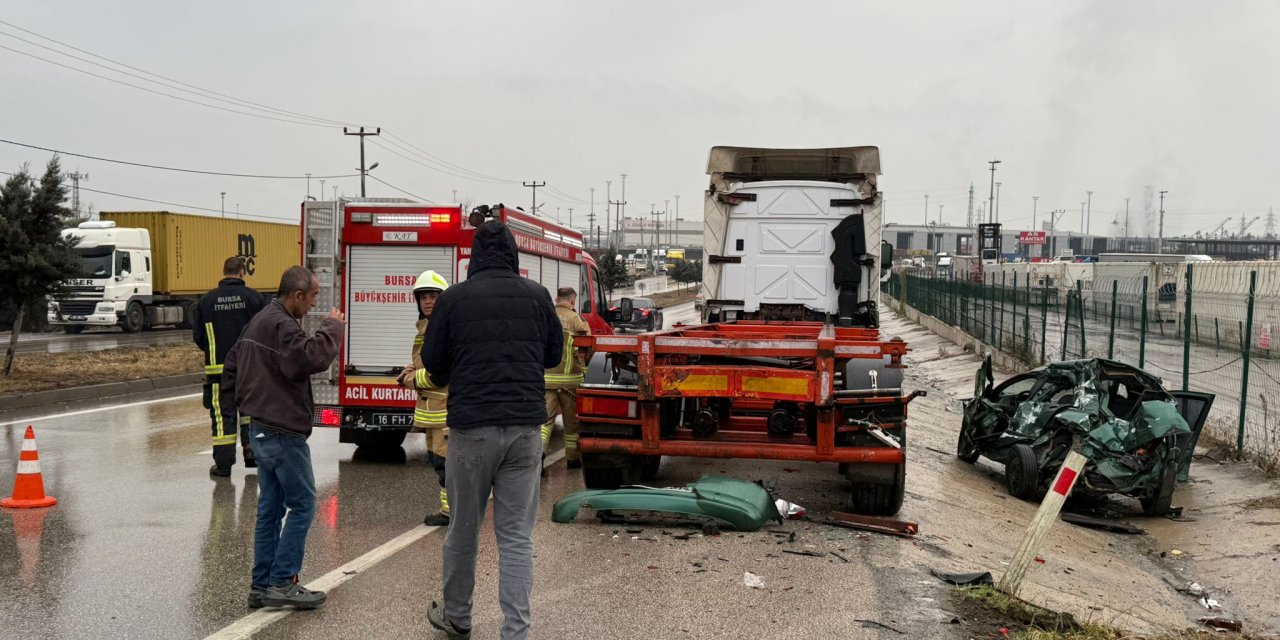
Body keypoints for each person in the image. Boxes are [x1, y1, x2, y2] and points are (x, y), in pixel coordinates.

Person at [422, 220, 562, 640]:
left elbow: (434, 363)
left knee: (464, 530)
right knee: (516, 537)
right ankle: (515, 631)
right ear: (513, 255)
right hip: (524, 429)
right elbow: (553, 355)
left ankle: (458, 618)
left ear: (475, 256)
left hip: (472, 430)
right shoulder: (537, 296)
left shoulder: (453, 299)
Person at [221, 266, 345, 610]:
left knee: (270, 509)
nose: (314, 303)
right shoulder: (282, 325)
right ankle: (282, 583)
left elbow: (231, 367)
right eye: (313, 296)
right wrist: (332, 327)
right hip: (282, 432)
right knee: (303, 505)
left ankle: (261, 585)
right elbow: (309, 358)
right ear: (297, 295)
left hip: (260, 427)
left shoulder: (259, 321)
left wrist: (242, 416)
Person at [193, 256, 267, 477]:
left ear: (224, 272)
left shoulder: (206, 301)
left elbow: (198, 337)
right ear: (243, 272)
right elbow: (265, 332)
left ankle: (224, 465)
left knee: (222, 416)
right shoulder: (255, 299)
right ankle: (252, 454)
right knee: (250, 413)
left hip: (218, 372)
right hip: (249, 370)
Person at [396, 269, 452, 526]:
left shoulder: (443, 330)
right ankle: (449, 509)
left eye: (433, 296)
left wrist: (410, 379)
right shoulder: (426, 328)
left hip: (444, 411)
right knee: (437, 460)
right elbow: (425, 362)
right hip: (432, 411)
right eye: (423, 297)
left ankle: (452, 512)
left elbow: (440, 374)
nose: (428, 301)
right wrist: (411, 368)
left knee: (446, 464)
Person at [541, 287, 591, 470]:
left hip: (547, 380)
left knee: (544, 423)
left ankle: (539, 455)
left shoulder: (546, 317)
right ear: (572, 300)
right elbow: (586, 349)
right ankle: (573, 459)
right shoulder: (577, 320)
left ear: (557, 299)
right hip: (570, 382)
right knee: (571, 424)